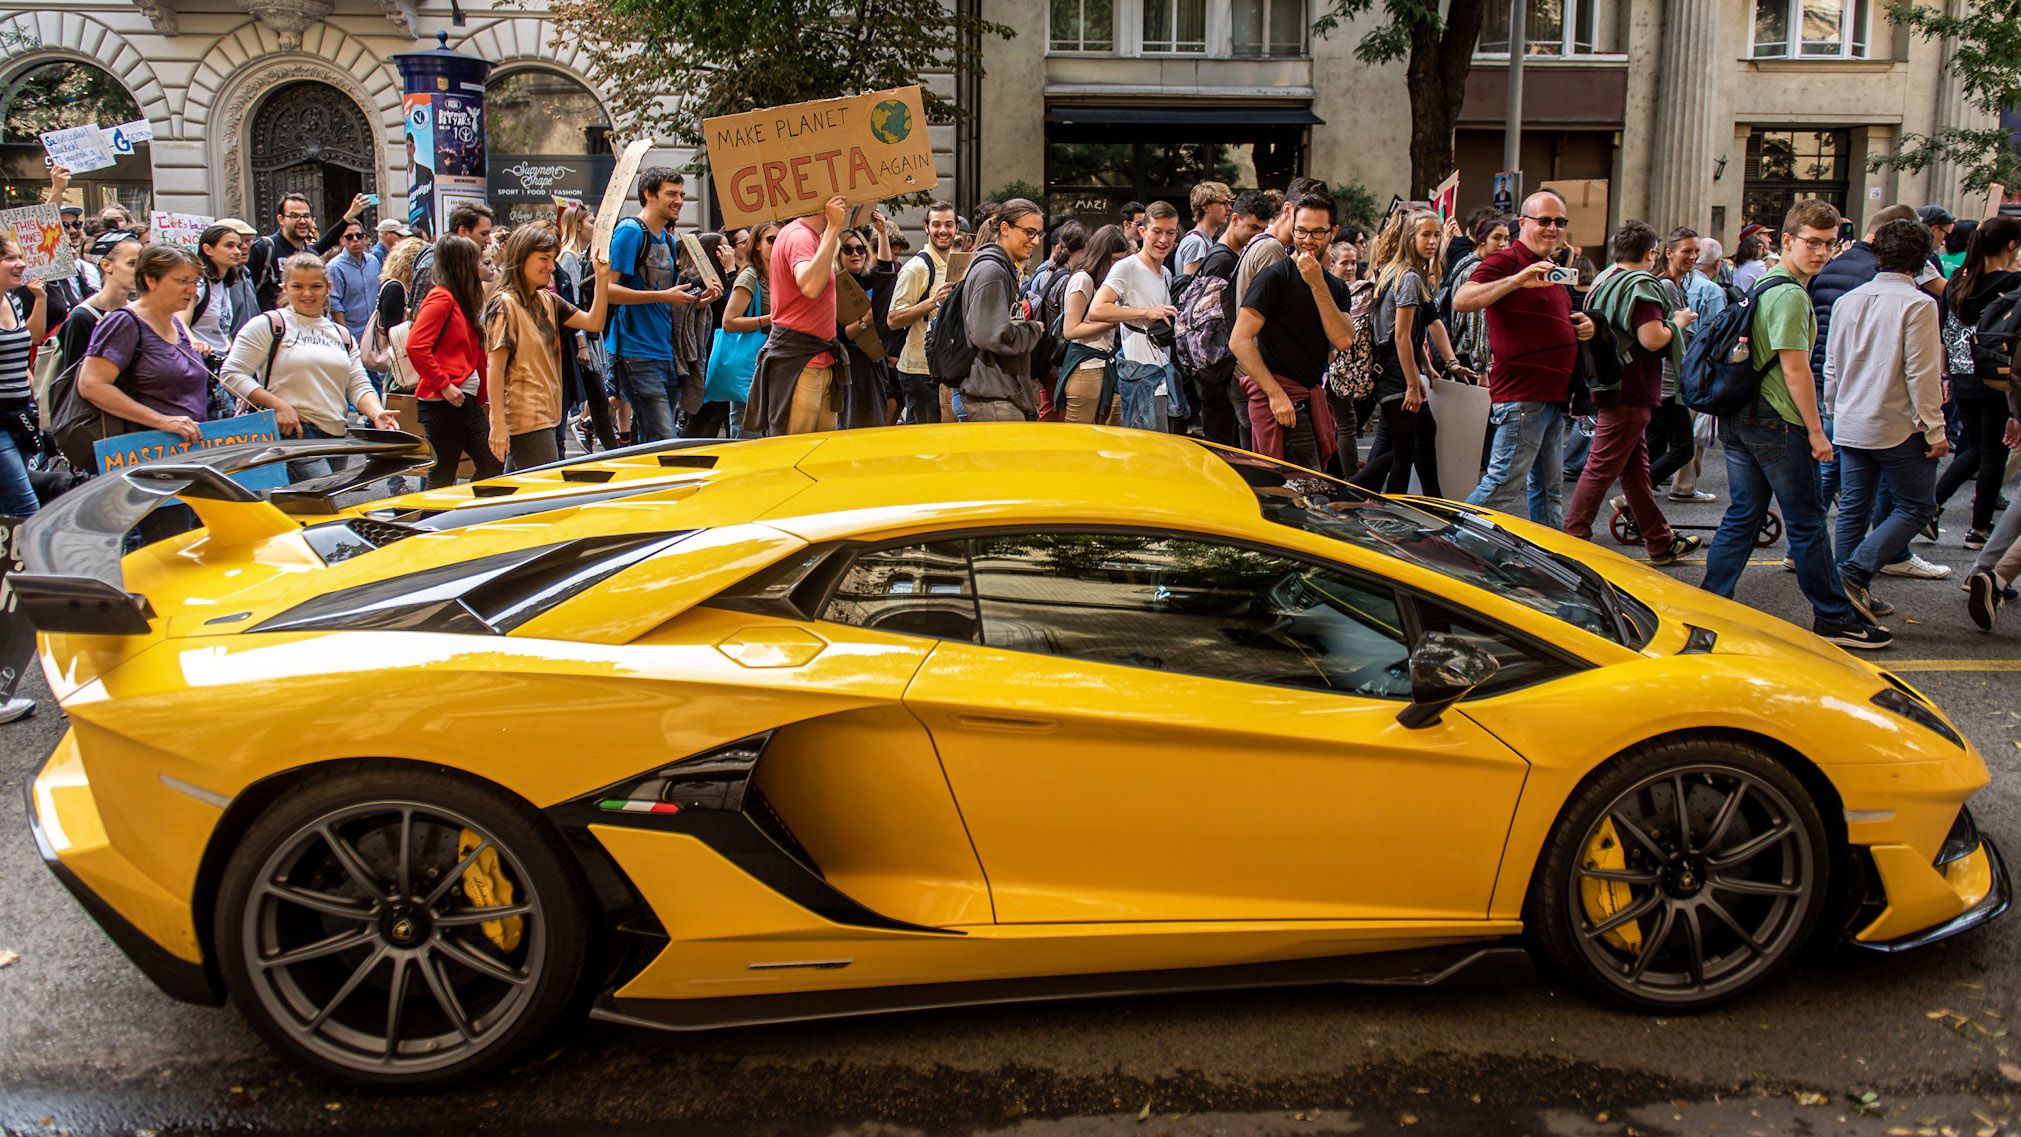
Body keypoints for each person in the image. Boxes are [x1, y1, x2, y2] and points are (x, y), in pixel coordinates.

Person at [1700, 199, 1890, 650]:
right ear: (1788, 241)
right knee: (1806, 522)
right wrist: (1818, 432)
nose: (1821, 252)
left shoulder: (1765, 283)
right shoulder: (1787, 293)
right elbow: (1795, 369)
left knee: (1744, 515)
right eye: (1812, 243)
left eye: (1829, 244)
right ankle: (1832, 616)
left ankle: (1708, 604)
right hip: (1777, 422)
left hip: (1741, 415)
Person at [1823, 218, 1948, 625]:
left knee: (1854, 508)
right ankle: (1854, 574)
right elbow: (1921, 374)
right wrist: (1935, 428)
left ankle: (1847, 593)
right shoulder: (1918, 305)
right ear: (1922, 260)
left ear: (1878, 254)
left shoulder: (1849, 300)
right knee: (1916, 505)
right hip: (1896, 423)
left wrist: (1833, 409)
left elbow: (1832, 365)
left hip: (1852, 417)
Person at [1454, 189, 1597, 527]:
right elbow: (1463, 299)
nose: (1553, 228)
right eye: (1544, 220)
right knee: (1502, 485)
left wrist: (1584, 326)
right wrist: (1517, 280)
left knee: (1548, 489)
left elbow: (1553, 319)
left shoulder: (1550, 269)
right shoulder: (1508, 261)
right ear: (1523, 222)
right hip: (1524, 393)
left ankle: (1551, 562)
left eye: (1560, 222)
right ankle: (1447, 541)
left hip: (1551, 394)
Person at [1564, 220, 1701, 565]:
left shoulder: (1603, 281)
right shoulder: (1641, 284)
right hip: (1632, 386)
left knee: (1636, 472)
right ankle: (1572, 539)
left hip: (1607, 382)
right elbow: (1652, 338)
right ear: (1651, 253)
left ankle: (1659, 539)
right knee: (1600, 467)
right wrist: (1678, 323)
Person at [219, 253, 401, 482]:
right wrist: (278, 405)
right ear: (284, 288)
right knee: (321, 504)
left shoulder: (340, 334)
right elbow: (231, 374)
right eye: (297, 286)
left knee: (311, 513)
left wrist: (377, 413)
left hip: (337, 435)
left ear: (327, 287)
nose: (307, 294)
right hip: (293, 435)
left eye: (315, 286)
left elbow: (357, 383)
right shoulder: (268, 324)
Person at [1226, 191, 1355, 472]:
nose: (1308, 240)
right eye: (1301, 231)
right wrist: (1274, 394)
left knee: (1309, 493)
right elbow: (1239, 340)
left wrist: (1317, 283)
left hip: (1311, 397)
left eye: (1317, 232)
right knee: (1301, 494)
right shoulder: (1275, 277)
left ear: (1333, 232)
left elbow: (1343, 340)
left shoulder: (1335, 287)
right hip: (1283, 403)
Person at [480, 226, 613, 470]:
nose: (551, 267)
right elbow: (495, 368)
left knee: (524, 495)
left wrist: (602, 279)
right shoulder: (504, 305)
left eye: (552, 259)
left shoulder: (547, 300)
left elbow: (594, 322)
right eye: (543, 259)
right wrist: (497, 422)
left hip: (547, 415)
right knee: (538, 494)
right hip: (526, 418)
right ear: (521, 257)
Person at [603, 170, 719, 443]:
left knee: (654, 442)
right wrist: (664, 297)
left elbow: (667, 296)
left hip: (666, 353)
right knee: (664, 438)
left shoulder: (666, 239)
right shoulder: (630, 232)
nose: (679, 200)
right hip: (636, 353)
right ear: (649, 195)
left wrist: (698, 301)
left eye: (681, 194)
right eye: (671, 194)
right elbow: (607, 290)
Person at [77, 245, 213, 465]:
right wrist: (162, 421)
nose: (192, 290)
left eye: (195, 282)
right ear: (151, 280)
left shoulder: (175, 321)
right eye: (182, 281)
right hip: (148, 458)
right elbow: (91, 385)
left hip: (189, 453)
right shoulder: (124, 322)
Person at [1933, 217, 2021, 550]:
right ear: (2011, 245)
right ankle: (1979, 527)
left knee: (1976, 446)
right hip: (1997, 376)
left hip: (1961, 373)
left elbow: (1946, 330)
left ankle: (1934, 504)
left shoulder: (1958, 280)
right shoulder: (2012, 284)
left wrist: (1944, 374)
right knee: (1993, 452)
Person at [1351, 209, 1443, 495]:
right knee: (1406, 451)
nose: (1433, 241)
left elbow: (1409, 334)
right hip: (1395, 375)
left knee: (1412, 439)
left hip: (1395, 371)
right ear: (1409, 237)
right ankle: (1379, 507)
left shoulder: (1396, 269)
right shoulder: (1409, 277)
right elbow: (1401, 337)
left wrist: (1426, 365)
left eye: (1437, 235)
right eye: (1426, 235)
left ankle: (1357, 495)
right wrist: (1413, 385)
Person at [745, 195, 851, 436]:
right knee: (797, 451)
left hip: (817, 360)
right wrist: (834, 227)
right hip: (801, 363)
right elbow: (810, 286)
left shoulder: (808, 236)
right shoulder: (799, 235)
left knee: (820, 452)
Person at [406, 235, 501, 488]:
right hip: (445, 403)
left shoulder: (457, 299)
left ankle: (457, 516)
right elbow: (416, 345)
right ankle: (433, 524)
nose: (483, 266)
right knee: (443, 475)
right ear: (464, 265)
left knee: (491, 464)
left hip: (460, 400)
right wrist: (443, 384)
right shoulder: (443, 298)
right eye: (477, 261)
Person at [1091, 200, 1186, 431]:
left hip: (1162, 376)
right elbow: (1097, 309)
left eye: (1170, 233)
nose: (1164, 239)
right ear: (1142, 231)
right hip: (1140, 377)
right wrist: (1146, 312)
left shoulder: (1166, 273)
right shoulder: (1127, 267)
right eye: (1157, 231)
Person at [1648, 226, 1724, 504]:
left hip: (1665, 379)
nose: (1692, 257)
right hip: (1668, 380)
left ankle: (1636, 497)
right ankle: (1635, 494)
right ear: (1669, 253)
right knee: (1683, 448)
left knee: (1655, 444)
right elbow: (1666, 334)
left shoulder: (1679, 284)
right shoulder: (1667, 285)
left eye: (1696, 252)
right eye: (1686, 251)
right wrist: (1683, 325)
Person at [1190, 189, 1272, 445]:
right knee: (1223, 450)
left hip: (1220, 370)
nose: (1257, 236)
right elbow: (1211, 321)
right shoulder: (1223, 261)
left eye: (1263, 230)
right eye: (1253, 227)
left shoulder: (1232, 256)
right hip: (1218, 371)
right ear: (1234, 219)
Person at [953, 198, 1047, 422]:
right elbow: (990, 335)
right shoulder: (992, 271)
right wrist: (1033, 329)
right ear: (1005, 229)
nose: (1035, 241)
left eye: (1038, 234)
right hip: (995, 398)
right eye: (1029, 232)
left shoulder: (999, 268)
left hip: (1001, 394)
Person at [887, 200, 959, 424]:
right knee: (926, 447)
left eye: (948, 224)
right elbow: (893, 319)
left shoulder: (953, 265)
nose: (943, 230)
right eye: (936, 224)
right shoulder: (917, 267)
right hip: (918, 371)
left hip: (943, 369)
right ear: (926, 227)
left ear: (956, 228)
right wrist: (932, 302)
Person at [705, 221, 779, 435]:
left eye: (781, 239)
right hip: (752, 362)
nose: (777, 244)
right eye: (771, 239)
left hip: (773, 361)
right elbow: (729, 322)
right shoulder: (750, 276)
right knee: (747, 430)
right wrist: (768, 319)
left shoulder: (781, 275)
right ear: (757, 245)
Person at [1056, 224, 1132, 425]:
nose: (1118, 265)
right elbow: (1070, 330)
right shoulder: (1083, 279)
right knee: (1078, 442)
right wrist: (1112, 321)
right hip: (1085, 367)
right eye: (1114, 259)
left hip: (1105, 365)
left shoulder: (1105, 281)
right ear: (1101, 254)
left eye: (1122, 260)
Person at [248, 192, 365, 311]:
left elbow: (325, 243)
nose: (302, 221)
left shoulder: (310, 255)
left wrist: (349, 216)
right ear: (281, 219)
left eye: (306, 216)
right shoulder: (264, 249)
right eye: (294, 216)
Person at [0, 233, 47, 516]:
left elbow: (32, 338)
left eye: (20, 257)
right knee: (26, 506)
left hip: (21, 416)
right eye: (10, 258)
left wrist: (39, 299)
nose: (21, 264)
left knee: (8, 505)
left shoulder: (14, 300)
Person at [835, 214, 897, 429]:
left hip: (871, 362)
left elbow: (885, 270)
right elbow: (838, 335)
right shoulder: (832, 286)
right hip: (849, 365)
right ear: (838, 253)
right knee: (851, 423)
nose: (856, 254)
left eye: (860, 249)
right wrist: (864, 321)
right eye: (848, 249)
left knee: (876, 420)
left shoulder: (862, 279)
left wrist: (881, 233)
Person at [59, 235, 139, 383]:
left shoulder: (137, 311)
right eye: (132, 263)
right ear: (106, 265)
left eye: (143, 264)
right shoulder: (81, 317)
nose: (139, 270)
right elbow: (73, 378)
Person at [1442, 213, 1508, 376]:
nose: (1503, 244)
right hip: (1469, 358)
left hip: (1460, 351)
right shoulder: (1477, 270)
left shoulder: (1466, 261)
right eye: (1497, 238)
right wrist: (1482, 370)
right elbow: (1476, 323)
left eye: (1506, 239)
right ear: (1482, 239)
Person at [409, 202, 494, 318]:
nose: (489, 241)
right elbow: (420, 317)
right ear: (463, 231)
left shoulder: (462, 262)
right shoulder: (433, 263)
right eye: (483, 234)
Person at [182, 223, 245, 365]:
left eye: (238, 246)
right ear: (208, 249)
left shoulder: (224, 284)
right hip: (202, 361)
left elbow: (223, 328)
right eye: (229, 246)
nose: (237, 252)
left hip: (224, 361)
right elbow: (180, 322)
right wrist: (195, 343)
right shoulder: (199, 283)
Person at [326, 219, 381, 344]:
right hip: (350, 333)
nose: (355, 240)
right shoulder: (334, 267)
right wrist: (346, 336)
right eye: (349, 237)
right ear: (341, 240)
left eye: (359, 236)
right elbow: (334, 303)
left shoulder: (373, 262)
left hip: (374, 331)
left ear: (365, 238)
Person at [1175, 181, 1233, 276]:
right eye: (1224, 203)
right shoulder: (1195, 242)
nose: (1229, 208)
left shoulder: (1203, 240)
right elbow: (1193, 289)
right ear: (1205, 206)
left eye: (1230, 203)